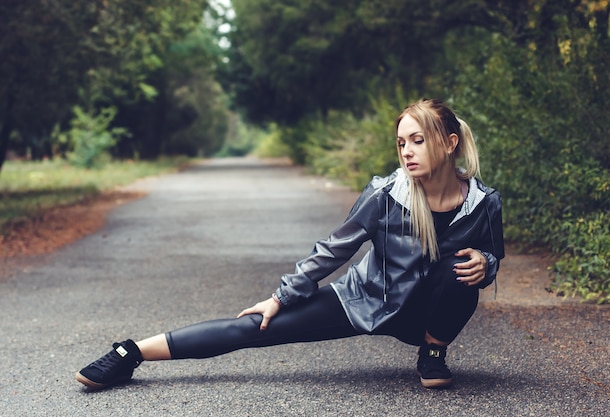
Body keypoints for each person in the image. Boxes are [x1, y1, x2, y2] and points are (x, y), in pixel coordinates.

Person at [75, 98, 504, 390]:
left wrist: (487, 262)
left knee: (461, 270)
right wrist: (280, 297)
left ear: (449, 144)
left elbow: (494, 255)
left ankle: (433, 353)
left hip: (427, 313)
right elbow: (335, 249)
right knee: (256, 328)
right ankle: (131, 352)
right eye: (400, 143)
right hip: (367, 299)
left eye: (418, 141)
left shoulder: (483, 204)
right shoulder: (386, 194)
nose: (407, 152)